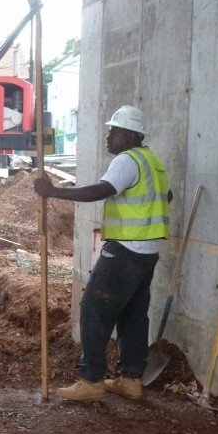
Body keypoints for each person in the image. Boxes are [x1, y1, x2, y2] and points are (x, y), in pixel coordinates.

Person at [33, 105, 171, 401]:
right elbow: (165, 197)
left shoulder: (127, 161)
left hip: (125, 250)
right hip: (148, 253)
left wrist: (54, 192)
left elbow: (100, 190)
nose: (109, 136)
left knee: (93, 308)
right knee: (134, 315)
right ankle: (131, 379)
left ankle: (92, 379)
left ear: (131, 135)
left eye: (115, 131)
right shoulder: (153, 162)